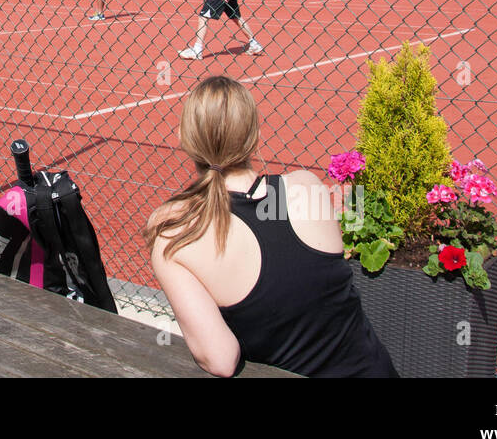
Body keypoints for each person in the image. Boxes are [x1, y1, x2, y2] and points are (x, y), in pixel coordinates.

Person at [145, 77, 397, 377]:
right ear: (255, 136)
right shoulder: (305, 186)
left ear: (183, 138)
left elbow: (221, 359)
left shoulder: (176, 230)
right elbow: (284, 249)